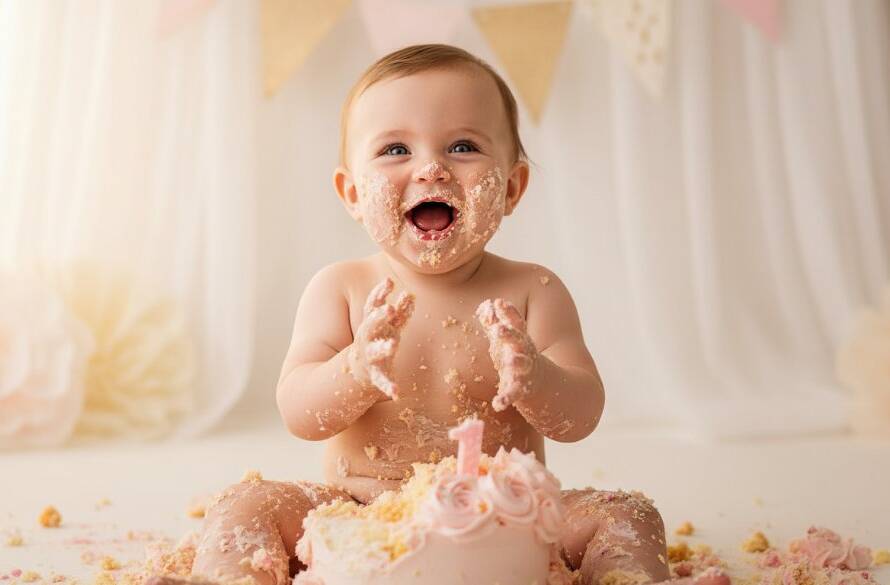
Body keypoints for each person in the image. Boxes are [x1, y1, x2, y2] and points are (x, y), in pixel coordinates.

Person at [157, 44, 729, 585]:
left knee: (626, 513)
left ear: (511, 186)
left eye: (462, 146)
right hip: (358, 513)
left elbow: (580, 417)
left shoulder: (532, 291)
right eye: (395, 149)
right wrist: (354, 369)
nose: (430, 169)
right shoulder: (343, 289)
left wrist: (534, 375)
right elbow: (300, 414)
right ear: (352, 193)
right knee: (246, 503)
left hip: (507, 516)